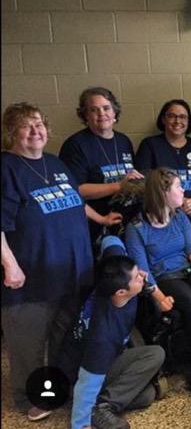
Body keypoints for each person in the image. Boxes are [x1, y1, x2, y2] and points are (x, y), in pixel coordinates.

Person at [1, 103, 94, 421]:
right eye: (26, 126)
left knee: (62, 337)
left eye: (39, 124)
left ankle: (50, 388)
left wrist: (102, 216)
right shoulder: (6, 168)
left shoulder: (56, 163)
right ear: (12, 132)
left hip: (70, 273)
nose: (35, 131)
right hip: (31, 277)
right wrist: (9, 264)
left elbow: (76, 204)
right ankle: (26, 397)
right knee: (27, 339)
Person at [124, 168, 191, 393]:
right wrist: (159, 297)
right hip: (164, 277)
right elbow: (143, 271)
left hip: (188, 269)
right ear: (163, 193)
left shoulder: (179, 217)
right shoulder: (136, 228)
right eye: (178, 187)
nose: (183, 190)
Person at [71, 251, 165, 429]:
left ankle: (105, 401)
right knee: (155, 354)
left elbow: (112, 243)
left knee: (147, 395)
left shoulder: (114, 283)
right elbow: (86, 384)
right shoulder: (102, 337)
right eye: (137, 277)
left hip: (111, 357)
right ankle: (98, 409)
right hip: (85, 371)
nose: (144, 276)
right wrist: (80, 424)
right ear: (121, 292)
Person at [60, 87, 144, 244]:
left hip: (126, 221)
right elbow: (75, 191)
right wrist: (120, 186)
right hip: (94, 224)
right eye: (94, 110)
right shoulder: (75, 145)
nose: (101, 114)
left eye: (106, 108)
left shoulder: (123, 141)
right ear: (85, 115)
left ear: (114, 112)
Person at [135, 99, 191, 248]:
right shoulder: (150, 145)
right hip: (162, 220)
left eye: (183, 117)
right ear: (163, 119)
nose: (177, 121)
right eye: (172, 116)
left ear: (188, 121)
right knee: (172, 263)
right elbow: (144, 184)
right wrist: (172, 202)